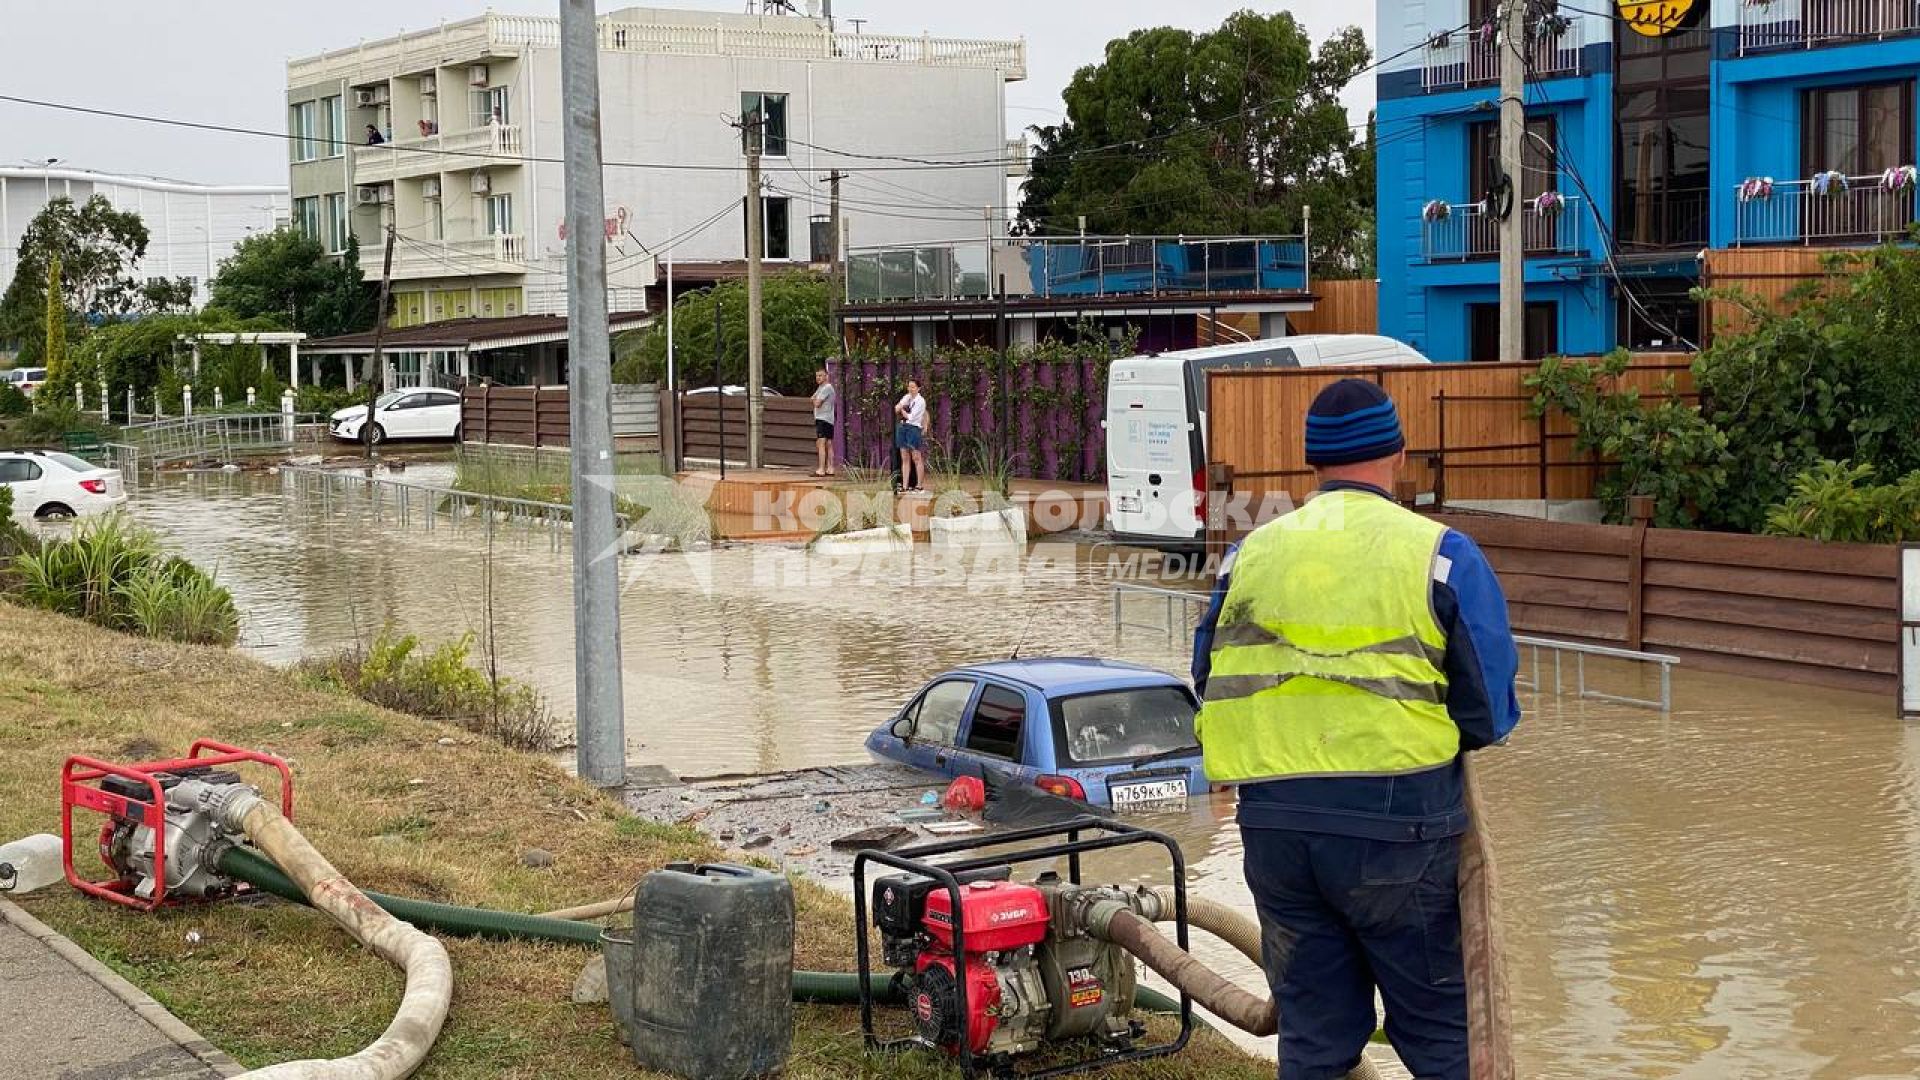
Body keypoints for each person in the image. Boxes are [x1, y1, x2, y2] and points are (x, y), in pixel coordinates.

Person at [1191, 378, 1520, 1080]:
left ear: (1312, 462)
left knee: (1313, 1037)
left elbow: (1209, 677)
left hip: (1276, 827)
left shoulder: (1248, 555)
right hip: (1402, 829)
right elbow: (1488, 711)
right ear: (1398, 455)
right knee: (1441, 1039)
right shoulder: (1441, 554)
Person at [894, 378, 929, 493]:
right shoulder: (907, 397)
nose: (911, 389)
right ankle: (905, 486)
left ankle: (919, 486)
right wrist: (900, 408)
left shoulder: (920, 401)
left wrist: (902, 410)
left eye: (913, 387)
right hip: (903, 427)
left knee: (916, 457)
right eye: (909, 386)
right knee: (904, 457)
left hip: (913, 428)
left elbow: (911, 417)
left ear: (918, 388)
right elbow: (897, 407)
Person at [810, 366, 837, 478]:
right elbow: (812, 398)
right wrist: (815, 399)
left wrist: (815, 400)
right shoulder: (820, 388)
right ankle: (830, 468)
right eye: (817, 376)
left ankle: (821, 469)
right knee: (828, 443)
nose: (818, 378)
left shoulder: (826, 388)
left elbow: (816, 403)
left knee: (821, 443)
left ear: (826, 376)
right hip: (827, 418)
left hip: (823, 418)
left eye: (820, 375)